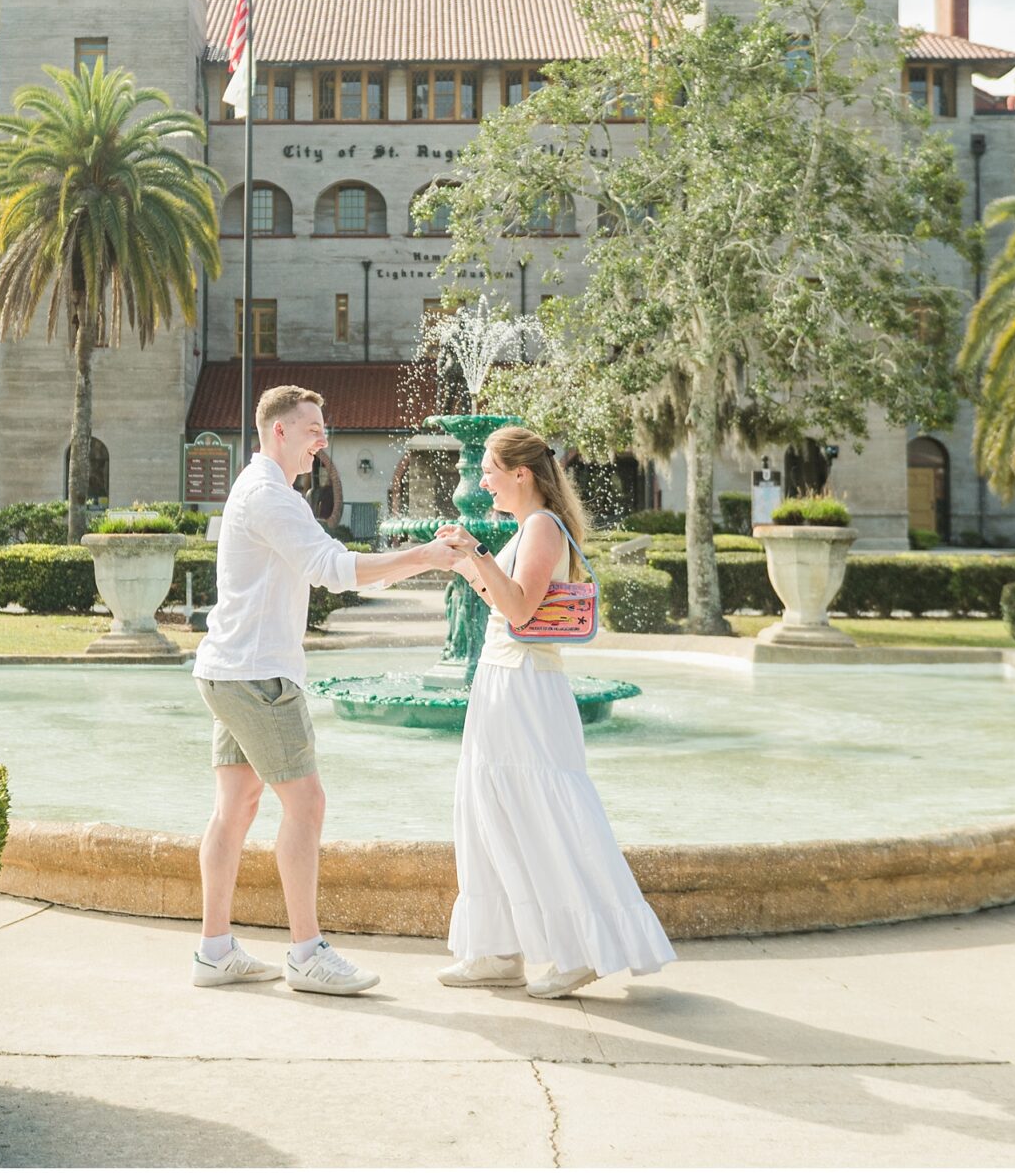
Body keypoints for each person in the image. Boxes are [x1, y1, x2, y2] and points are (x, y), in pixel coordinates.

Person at [191, 384, 459, 995]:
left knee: (236, 808)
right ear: (278, 431)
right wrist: (427, 557)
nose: (323, 439)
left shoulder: (263, 490)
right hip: (256, 676)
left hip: (230, 669)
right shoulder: (270, 497)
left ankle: (214, 951)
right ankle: (307, 954)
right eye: (313, 427)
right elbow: (332, 570)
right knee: (306, 805)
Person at [433, 426, 675, 999]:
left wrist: (479, 554)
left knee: (546, 814)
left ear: (522, 474)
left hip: (526, 691)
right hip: (501, 683)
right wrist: (470, 562)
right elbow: (504, 601)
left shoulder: (542, 528)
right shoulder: (527, 528)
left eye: (490, 468)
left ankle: (581, 951)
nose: (482, 478)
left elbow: (519, 612)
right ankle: (497, 951)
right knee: (488, 812)